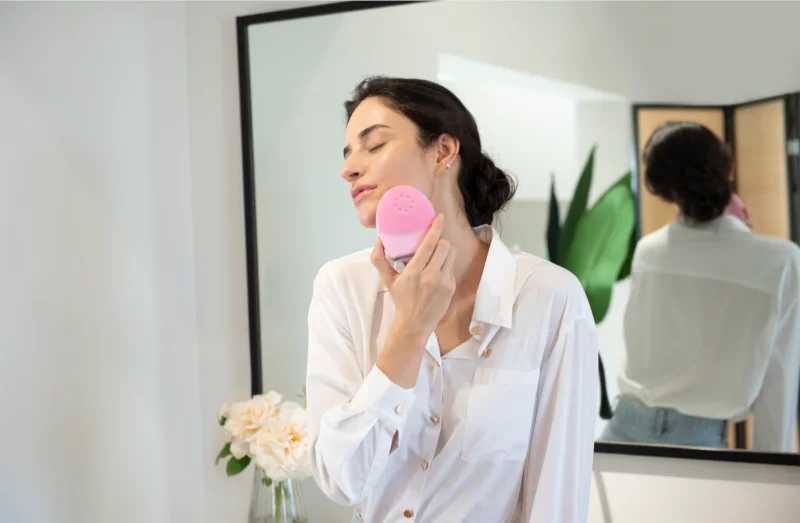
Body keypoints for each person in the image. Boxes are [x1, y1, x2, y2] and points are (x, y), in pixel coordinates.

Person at [305, 76, 599, 523]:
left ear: (443, 151)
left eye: (374, 145)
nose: (349, 168)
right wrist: (409, 331)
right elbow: (340, 479)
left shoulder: (548, 298)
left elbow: (556, 498)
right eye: (346, 154)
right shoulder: (342, 287)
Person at [601, 121, 800, 452]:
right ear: (729, 170)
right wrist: (773, 469)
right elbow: (779, 379)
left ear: (663, 190)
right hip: (697, 443)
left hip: (622, 429)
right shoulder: (781, 261)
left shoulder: (649, 251)